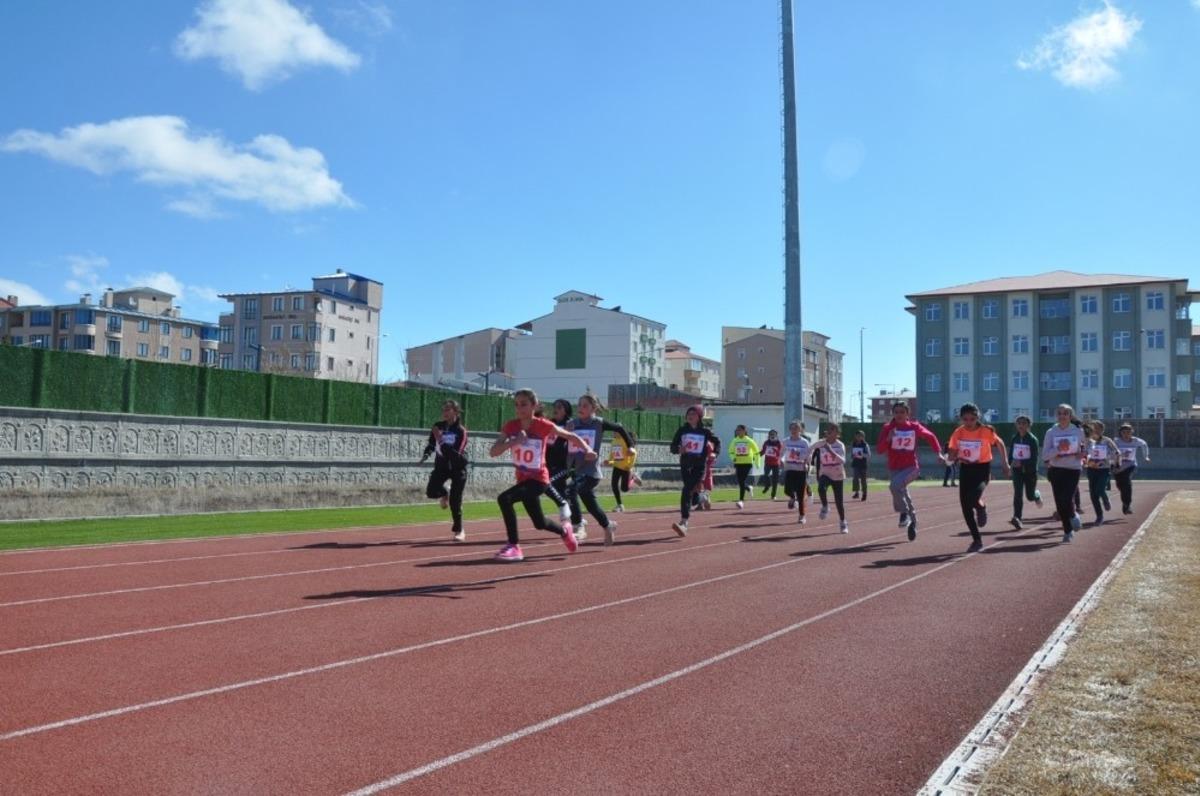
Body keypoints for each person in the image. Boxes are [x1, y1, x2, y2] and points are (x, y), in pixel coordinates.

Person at [488, 389, 592, 562]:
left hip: (539, 480)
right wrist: (513, 441)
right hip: (523, 480)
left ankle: (514, 546)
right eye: (516, 404)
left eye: (524, 404)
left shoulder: (543, 425)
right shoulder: (511, 426)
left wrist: (587, 449)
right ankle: (564, 531)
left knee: (504, 499)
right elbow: (493, 452)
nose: (519, 408)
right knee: (539, 523)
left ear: (534, 405)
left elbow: (570, 436)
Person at [565, 394, 633, 547]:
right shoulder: (572, 424)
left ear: (594, 408)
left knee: (570, 490)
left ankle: (578, 525)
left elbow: (620, 428)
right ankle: (608, 525)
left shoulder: (599, 423)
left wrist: (630, 446)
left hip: (591, 472)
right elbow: (559, 438)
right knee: (591, 506)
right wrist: (565, 432)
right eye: (579, 405)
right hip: (577, 471)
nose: (580, 408)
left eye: (585, 406)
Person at [946, 403, 1010, 551]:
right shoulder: (958, 432)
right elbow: (952, 450)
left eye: (972, 419)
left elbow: (999, 443)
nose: (969, 422)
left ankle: (981, 507)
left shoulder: (985, 431)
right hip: (966, 469)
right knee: (965, 506)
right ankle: (977, 540)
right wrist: (950, 456)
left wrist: (1005, 462)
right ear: (961, 419)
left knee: (973, 498)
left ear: (977, 418)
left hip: (982, 469)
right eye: (965, 419)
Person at [877, 401, 943, 541]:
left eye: (902, 412)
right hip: (895, 468)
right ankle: (913, 522)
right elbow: (880, 450)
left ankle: (903, 513)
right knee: (903, 492)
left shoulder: (914, 427)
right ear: (893, 414)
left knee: (895, 486)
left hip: (911, 467)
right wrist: (888, 439)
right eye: (896, 412)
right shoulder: (888, 428)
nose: (899, 415)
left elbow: (930, 436)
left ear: (908, 414)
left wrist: (938, 453)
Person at [420, 399, 470, 542]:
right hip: (441, 467)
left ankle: (459, 530)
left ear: (455, 411)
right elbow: (431, 443)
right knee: (431, 491)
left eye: (448, 409)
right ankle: (445, 493)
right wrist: (426, 454)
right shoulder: (437, 426)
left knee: (455, 501)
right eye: (443, 409)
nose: (444, 412)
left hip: (457, 467)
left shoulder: (461, 431)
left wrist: (441, 440)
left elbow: (456, 454)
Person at [669, 404, 720, 536]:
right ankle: (703, 497)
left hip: (699, 466)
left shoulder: (705, 431)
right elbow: (673, 446)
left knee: (686, 490)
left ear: (699, 417)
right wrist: (678, 449)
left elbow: (717, 442)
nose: (690, 416)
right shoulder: (682, 430)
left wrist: (715, 453)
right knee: (692, 498)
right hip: (685, 464)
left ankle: (684, 522)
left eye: (693, 414)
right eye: (688, 414)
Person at [1042, 403, 1086, 542]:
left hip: (1073, 469)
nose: (1062, 416)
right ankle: (1067, 531)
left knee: (1067, 498)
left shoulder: (1078, 431)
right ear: (1057, 416)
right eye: (1059, 413)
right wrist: (1058, 449)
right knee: (1059, 502)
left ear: (1070, 416)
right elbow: (1045, 456)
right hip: (1056, 469)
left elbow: (1089, 447)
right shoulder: (1051, 432)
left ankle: (1073, 515)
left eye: (1065, 413)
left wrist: (1083, 454)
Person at [811, 423, 849, 533]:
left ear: (838, 433)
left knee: (839, 502)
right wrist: (806, 459)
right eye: (829, 429)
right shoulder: (822, 443)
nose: (830, 432)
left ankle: (843, 522)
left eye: (833, 430)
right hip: (825, 473)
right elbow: (811, 448)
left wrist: (830, 449)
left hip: (837, 475)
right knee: (821, 488)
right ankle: (825, 506)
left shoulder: (840, 445)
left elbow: (842, 461)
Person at [1007, 414, 1042, 530]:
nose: (1021, 426)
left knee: (1030, 496)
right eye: (1019, 423)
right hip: (1017, 472)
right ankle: (1017, 518)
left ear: (1028, 425)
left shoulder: (1032, 440)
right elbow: (1011, 455)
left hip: (1030, 472)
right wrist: (1009, 465)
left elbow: (1034, 459)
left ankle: (1036, 495)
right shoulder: (1014, 438)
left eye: (1024, 423)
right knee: (1018, 494)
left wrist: (1022, 463)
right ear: (1016, 425)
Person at [1082, 420, 1119, 526]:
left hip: (1104, 469)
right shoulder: (1087, 441)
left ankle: (1105, 498)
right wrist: (1084, 459)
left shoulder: (1107, 441)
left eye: (1098, 428)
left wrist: (1108, 459)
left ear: (1102, 430)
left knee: (1100, 489)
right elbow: (1083, 452)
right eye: (1093, 428)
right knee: (1093, 495)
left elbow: (1116, 452)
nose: (1095, 430)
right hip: (1091, 469)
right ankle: (1099, 516)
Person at [1113, 424, 1150, 514]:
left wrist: (1146, 456)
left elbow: (1144, 445)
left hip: (1131, 465)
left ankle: (1127, 505)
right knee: (1121, 486)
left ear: (1132, 432)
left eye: (1128, 432)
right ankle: (1125, 503)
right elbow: (1110, 450)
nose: (1126, 434)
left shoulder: (1135, 441)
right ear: (1120, 433)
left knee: (1127, 483)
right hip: (1118, 466)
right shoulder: (1116, 441)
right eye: (1124, 432)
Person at [781, 420, 813, 524]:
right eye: (792, 428)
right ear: (789, 430)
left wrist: (808, 464)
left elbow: (809, 455)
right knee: (787, 490)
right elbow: (782, 454)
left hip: (801, 470)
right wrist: (781, 461)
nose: (794, 430)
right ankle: (792, 497)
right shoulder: (786, 441)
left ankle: (802, 516)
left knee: (801, 494)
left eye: (796, 428)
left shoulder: (804, 442)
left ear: (800, 430)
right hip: (789, 469)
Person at [607, 428, 640, 514]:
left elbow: (634, 453)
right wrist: (608, 462)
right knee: (614, 485)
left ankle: (633, 478)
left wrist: (629, 466)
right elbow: (612, 457)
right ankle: (620, 505)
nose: (613, 432)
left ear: (619, 432)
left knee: (624, 489)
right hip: (617, 466)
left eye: (615, 431)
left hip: (626, 468)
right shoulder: (613, 442)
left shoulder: (626, 440)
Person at [729, 425, 761, 508]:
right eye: (737, 430)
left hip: (747, 463)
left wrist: (758, 463)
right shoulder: (734, 441)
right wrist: (733, 458)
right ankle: (748, 488)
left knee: (742, 480)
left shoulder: (749, 441)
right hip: (738, 463)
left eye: (739, 430)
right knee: (740, 481)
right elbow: (731, 452)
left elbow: (756, 452)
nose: (738, 432)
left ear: (744, 431)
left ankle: (741, 501)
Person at [759, 429, 783, 500]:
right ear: (769, 435)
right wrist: (756, 456)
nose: (772, 436)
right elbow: (763, 451)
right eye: (771, 434)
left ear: (776, 435)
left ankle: (773, 495)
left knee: (775, 480)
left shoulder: (779, 443)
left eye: (774, 434)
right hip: (768, 463)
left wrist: (781, 460)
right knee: (766, 475)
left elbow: (781, 453)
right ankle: (767, 485)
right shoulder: (766, 442)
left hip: (776, 463)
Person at [849, 429, 870, 501]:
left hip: (863, 464)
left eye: (860, 436)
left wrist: (862, 454)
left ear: (863, 437)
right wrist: (853, 455)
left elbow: (868, 455)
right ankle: (856, 492)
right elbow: (851, 454)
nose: (858, 437)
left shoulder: (865, 445)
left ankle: (864, 493)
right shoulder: (853, 444)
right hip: (855, 464)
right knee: (855, 479)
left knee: (863, 480)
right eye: (857, 436)